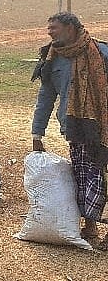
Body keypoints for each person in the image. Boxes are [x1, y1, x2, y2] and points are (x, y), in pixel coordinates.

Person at [32, 12, 108, 249]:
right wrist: (37, 133)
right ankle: (90, 223)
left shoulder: (102, 53)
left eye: (54, 28)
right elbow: (45, 97)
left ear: (71, 28)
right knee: (84, 176)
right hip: (75, 129)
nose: (50, 32)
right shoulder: (52, 57)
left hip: (103, 128)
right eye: (49, 28)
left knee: (104, 177)